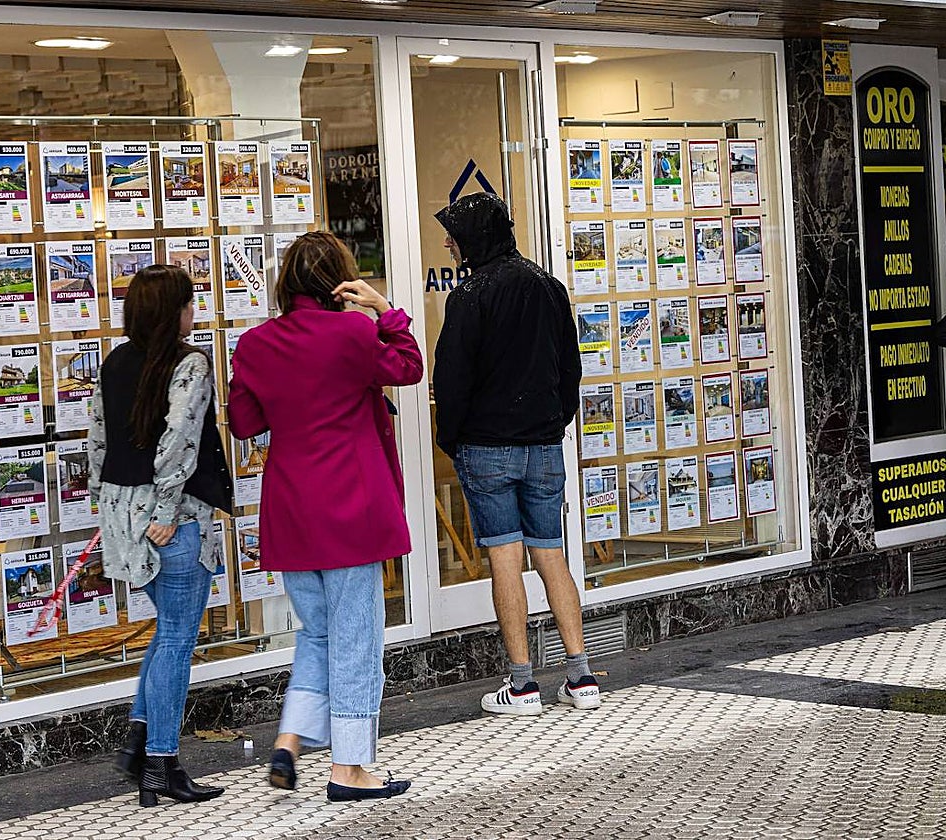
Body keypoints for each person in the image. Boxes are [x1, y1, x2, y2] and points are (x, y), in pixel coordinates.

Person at [228, 231, 423, 803]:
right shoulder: (354, 332)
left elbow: (244, 423)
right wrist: (385, 310)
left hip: (291, 509)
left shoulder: (255, 343)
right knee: (357, 641)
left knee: (318, 634)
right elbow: (407, 368)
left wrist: (259, 377)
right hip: (352, 509)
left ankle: (289, 742)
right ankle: (351, 767)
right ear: (340, 279)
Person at [433, 191, 601, 716]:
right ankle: (581, 675)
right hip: (544, 444)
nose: (448, 242)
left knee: (505, 558)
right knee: (552, 554)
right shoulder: (549, 286)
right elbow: (569, 367)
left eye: (454, 235)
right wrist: (554, 422)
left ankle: (523, 684)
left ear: (472, 240)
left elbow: (451, 380)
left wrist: (453, 438)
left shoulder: (469, 296)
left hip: (488, 448)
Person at [89, 264, 233, 808]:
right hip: (171, 515)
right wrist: (169, 507)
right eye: (189, 302)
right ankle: (161, 764)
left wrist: (113, 512)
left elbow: (98, 440)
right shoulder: (189, 364)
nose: (193, 312)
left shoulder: (114, 362)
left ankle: (139, 740)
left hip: (123, 512)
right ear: (172, 311)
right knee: (178, 638)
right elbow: (179, 440)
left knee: (167, 629)